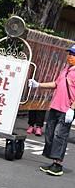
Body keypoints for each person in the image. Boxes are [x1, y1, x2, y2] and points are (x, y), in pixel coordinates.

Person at [28, 44, 75, 176]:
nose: (70, 56)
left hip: (67, 109)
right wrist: (38, 84)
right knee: (49, 134)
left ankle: (58, 164)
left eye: (73, 54)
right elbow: (56, 84)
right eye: (70, 54)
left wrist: (72, 109)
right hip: (55, 106)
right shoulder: (66, 69)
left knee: (60, 136)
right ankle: (53, 161)